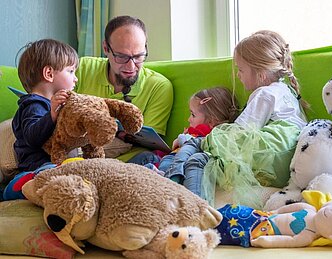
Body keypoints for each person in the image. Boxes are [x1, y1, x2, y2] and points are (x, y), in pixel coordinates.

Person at [186, 30, 308, 208]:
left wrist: (206, 140)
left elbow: (238, 134)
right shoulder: (287, 91)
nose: (238, 75)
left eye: (241, 70)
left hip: (273, 156)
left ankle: (193, 205)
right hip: (289, 158)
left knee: (199, 155)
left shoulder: (264, 94)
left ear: (260, 74)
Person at [74, 15, 173, 165]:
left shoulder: (159, 87)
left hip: (128, 165)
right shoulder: (83, 68)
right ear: (106, 48)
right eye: (121, 57)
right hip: (78, 157)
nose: (131, 67)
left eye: (139, 56)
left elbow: (149, 144)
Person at [3, 39, 79, 200]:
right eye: (71, 71)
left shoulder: (48, 104)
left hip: (54, 164)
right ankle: (22, 184)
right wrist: (51, 114)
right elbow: (32, 137)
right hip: (37, 166)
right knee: (56, 174)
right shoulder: (33, 104)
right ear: (49, 74)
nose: (75, 78)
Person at [145, 87, 239, 195]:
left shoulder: (209, 133)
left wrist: (181, 139)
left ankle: (167, 179)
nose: (189, 119)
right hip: (174, 157)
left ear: (212, 121)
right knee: (163, 159)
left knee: (167, 161)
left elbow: (194, 144)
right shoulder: (194, 130)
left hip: (184, 161)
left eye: (193, 115)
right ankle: (162, 176)